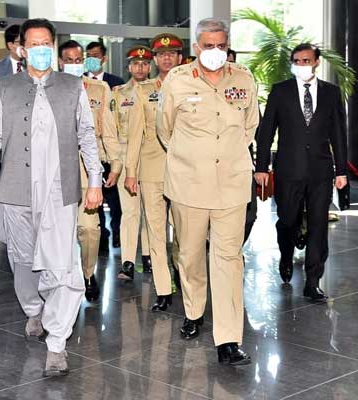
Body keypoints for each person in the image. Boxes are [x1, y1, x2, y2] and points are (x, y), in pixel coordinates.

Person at [0, 18, 103, 376]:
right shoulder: (5, 88)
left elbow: (87, 136)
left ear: (54, 46)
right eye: (35, 43)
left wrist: (95, 179)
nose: (41, 49)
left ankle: (57, 341)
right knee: (23, 262)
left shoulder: (73, 86)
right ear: (21, 48)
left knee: (63, 267)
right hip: (15, 191)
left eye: (48, 43)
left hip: (60, 193)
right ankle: (33, 309)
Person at [157, 18, 259, 365]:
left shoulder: (244, 78)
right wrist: (192, 158)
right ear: (196, 47)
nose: (214, 51)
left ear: (226, 45)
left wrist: (226, 158)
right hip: (189, 184)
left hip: (231, 183)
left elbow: (250, 127)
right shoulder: (178, 80)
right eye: (207, 45)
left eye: (220, 45)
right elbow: (165, 128)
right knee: (189, 254)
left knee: (229, 259)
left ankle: (228, 339)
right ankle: (194, 310)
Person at [255, 43, 348, 301]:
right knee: (288, 220)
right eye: (297, 61)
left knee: (318, 224)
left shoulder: (331, 92)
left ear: (317, 62)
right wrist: (261, 167)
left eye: (306, 60)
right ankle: (286, 254)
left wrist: (341, 170)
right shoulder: (280, 91)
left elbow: (339, 133)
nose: (301, 65)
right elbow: (266, 132)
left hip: (321, 171)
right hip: (288, 169)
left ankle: (313, 281)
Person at [124, 35, 183, 313]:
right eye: (162, 55)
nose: (167, 58)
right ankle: (162, 288)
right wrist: (130, 171)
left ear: (180, 58)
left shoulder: (191, 85)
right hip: (151, 170)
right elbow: (135, 134)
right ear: (155, 60)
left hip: (186, 170)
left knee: (185, 233)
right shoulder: (144, 90)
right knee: (156, 231)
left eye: (173, 53)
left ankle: (184, 277)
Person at [58, 39, 121, 302]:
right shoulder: (47, 89)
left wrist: (116, 164)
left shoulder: (99, 89)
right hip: (56, 172)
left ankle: (87, 273)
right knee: (59, 231)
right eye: (68, 60)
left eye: (77, 60)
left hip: (88, 171)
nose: (74, 64)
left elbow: (109, 129)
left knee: (91, 229)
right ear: (60, 62)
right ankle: (62, 279)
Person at [110, 45, 154, 281]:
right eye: (136, 63)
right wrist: (117, 164)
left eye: (145, 63)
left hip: (151, 156)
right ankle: (128, 261)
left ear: (150, 66)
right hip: (127, 157)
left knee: (152, 210)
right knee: (129, 211)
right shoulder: (118, 94)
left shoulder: (159, 90)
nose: (140, 67)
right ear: (129, 66)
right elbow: (113, 130)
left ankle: (149, 256)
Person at [85, 40, 124, 246]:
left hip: (107, 151)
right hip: (88, 153)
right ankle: (102, 236)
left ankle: (118, 232)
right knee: (94, 200)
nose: (92, 59)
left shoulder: (115, 82)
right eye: (88, 55)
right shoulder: (79, 83)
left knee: (114, 199)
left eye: (96, 55)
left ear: (104, 58)